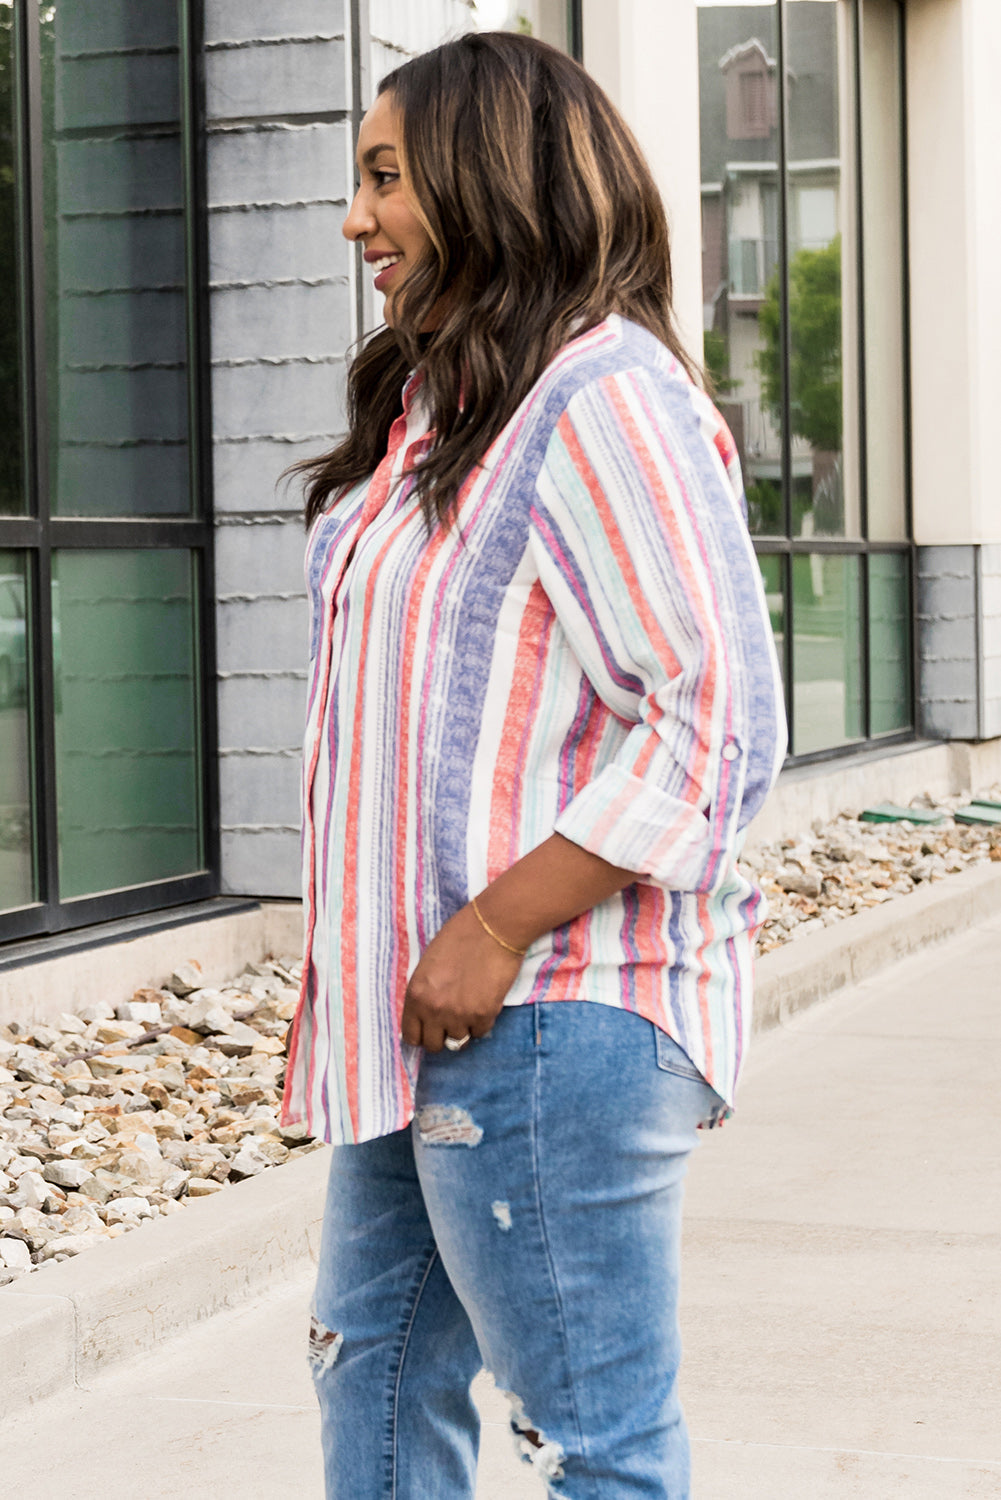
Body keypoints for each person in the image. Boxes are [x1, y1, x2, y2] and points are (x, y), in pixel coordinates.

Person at [281, 30, 785, 1500]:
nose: (354, 218)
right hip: (425, 1012)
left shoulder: (600, 396)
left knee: (592, 1445)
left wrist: (492, 925)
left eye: (384, 177)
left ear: (485, 176)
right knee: (369, 1376)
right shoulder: (442, 408)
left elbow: (714, 726)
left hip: (548, 1010)